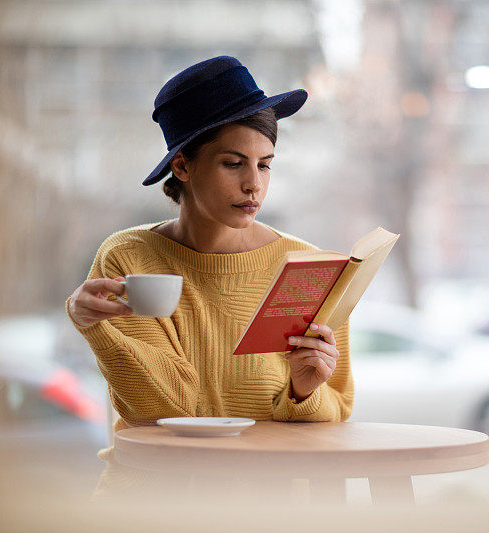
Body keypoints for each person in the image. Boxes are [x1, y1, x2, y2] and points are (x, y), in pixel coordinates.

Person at [64, 56, 353, 499]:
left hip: (270, 515)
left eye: (265, 164)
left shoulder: (307, 267)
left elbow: (338, 416)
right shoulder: (129, 257)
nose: (254, 184)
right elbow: (164, 411)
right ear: (181, 166)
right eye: (233, 163)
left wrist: (303, 391)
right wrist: (97, 329)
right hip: (147, 508)